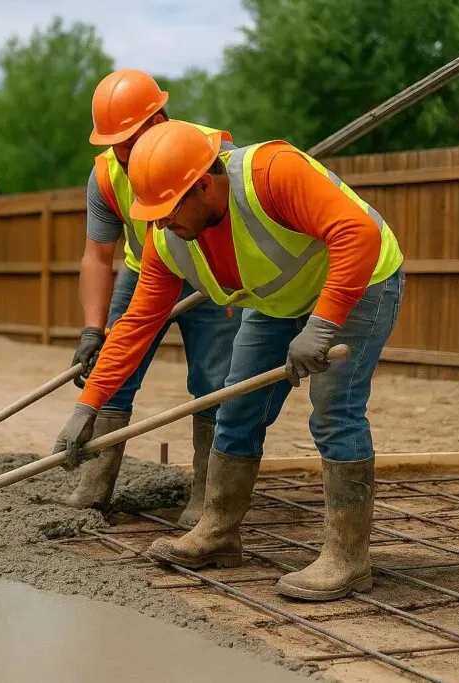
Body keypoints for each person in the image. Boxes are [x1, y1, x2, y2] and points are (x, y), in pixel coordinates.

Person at [53, 120, 404, 602]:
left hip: (360, 282)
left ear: (202, 185)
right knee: (235, 411)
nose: (159, 224)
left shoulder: (272, 173)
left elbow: (356, 233)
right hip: (278, 302)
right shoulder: (166, 239)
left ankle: (348, 559)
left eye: (168, 210)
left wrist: (321, 325)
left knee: (334, 414)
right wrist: (87, 407)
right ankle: (217, 532)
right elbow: (136, 326)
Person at [65, 69, 241, 522]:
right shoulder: (106, 174)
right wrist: (92, 328)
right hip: (147, 271)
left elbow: (240, 228)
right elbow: (97, 256)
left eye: (130, 140)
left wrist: (235, 290)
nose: (123, 154)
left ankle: (207, 498)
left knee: (214, 382)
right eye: (115, 143)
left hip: (209, 275)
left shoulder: (211, 154)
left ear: (159, 119)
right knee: (112, 369)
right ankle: (94, 488)